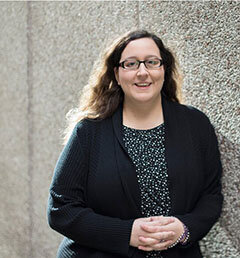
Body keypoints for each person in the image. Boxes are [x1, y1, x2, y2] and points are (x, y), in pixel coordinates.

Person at [47, 30, 223, 258]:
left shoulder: (195, 124)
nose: (142, 72)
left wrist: (184, 229)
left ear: (164, 69)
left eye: (151, 62)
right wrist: (126, 233)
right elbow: (60, 209)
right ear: (117, 75)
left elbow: (211, 195)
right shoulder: (89, 132)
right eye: (130, 64)